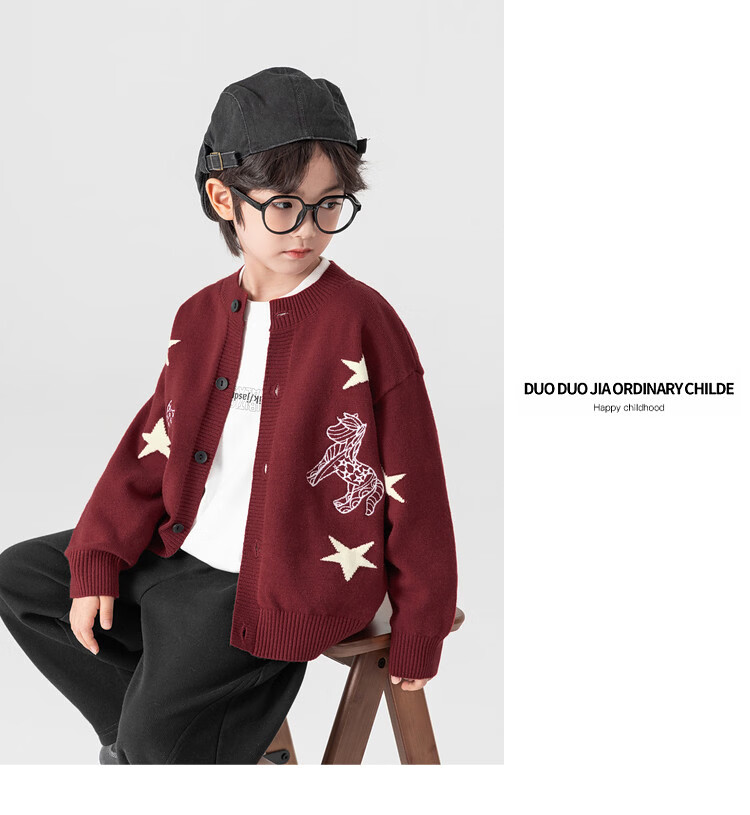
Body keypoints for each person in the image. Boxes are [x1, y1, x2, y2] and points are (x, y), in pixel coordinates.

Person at [0, 66, 459, 765]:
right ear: (224, 199)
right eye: (284, 205)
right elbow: (152, 447)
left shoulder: (363, 321)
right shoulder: (200, 317)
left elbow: (415, 481)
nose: (307, 229)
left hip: (281, 579)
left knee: (156, 739)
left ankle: (161, 743)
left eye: (329, 205)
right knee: (23, 578)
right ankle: (163, 737)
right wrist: (97, 556)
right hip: (180, 550)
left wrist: (423, 622)